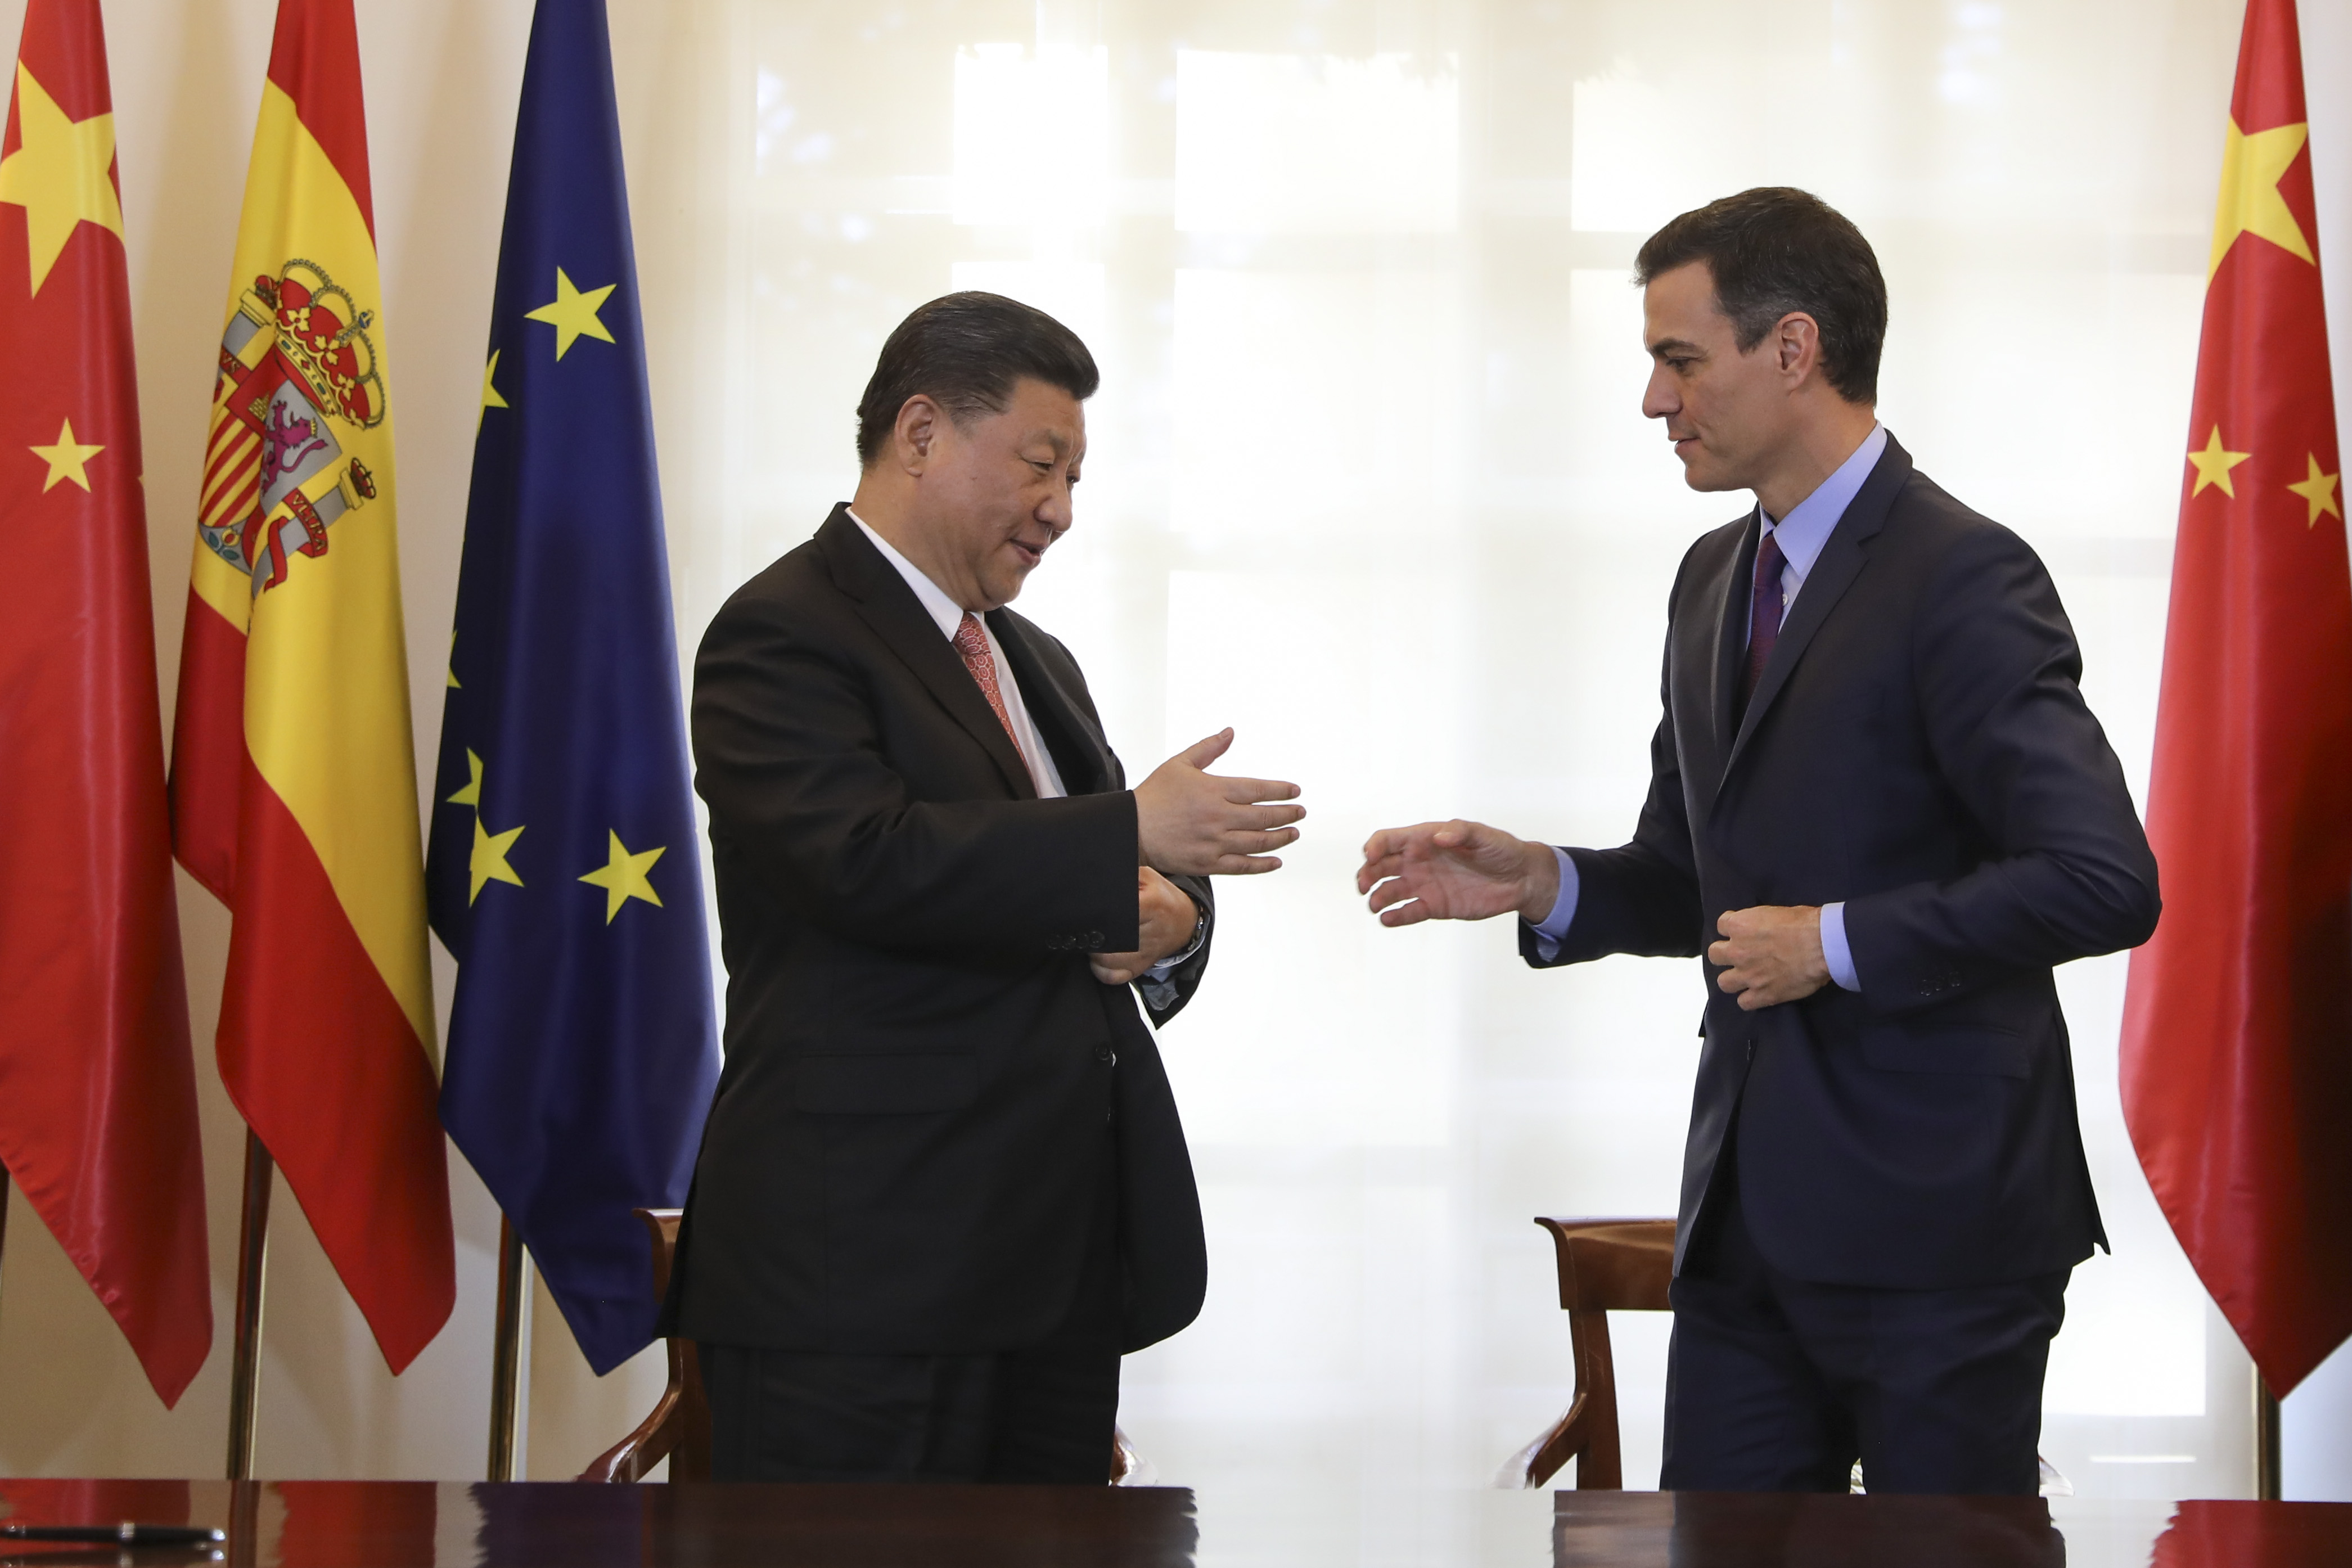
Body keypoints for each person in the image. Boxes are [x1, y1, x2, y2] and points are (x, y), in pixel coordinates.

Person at [1355, 189, 2159, 1495]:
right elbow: (1693, 881)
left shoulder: (1964, 574)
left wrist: (1831, 944)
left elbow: (2101, 879)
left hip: (1943, 1236)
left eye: (1679, 360)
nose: (1654, 401)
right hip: (1744, 1234)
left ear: (1793, 349)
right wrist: (1544, 879)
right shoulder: (1709, 582)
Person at [670, 292, 1304, 1483]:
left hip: (1052, 1275)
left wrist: (1168, 915)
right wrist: (1127, 831)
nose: (1061, 509)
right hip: (859, 1283)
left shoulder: (1033, 660)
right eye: (1040, 464)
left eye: (1075, 477)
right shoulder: (780, 630)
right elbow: (863, 859)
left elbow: (1097, 870)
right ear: (921, 433)